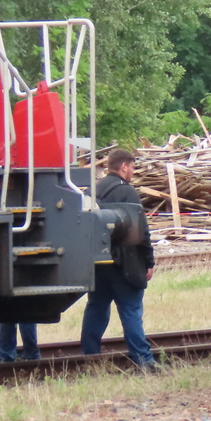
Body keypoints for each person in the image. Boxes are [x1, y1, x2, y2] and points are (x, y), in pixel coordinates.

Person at [81, 149, 158, 371]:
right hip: (126, 264)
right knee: (131, 311)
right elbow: (141, 232)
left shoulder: (92, 191)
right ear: (124, 166)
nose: (133, 172)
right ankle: (143, 361)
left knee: (96, 309)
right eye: (132, 167)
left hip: (98, 263)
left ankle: (90, 357)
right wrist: (149, 261)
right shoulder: (127, 192)